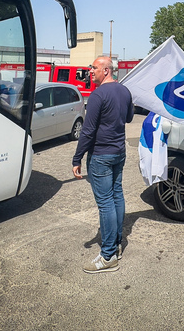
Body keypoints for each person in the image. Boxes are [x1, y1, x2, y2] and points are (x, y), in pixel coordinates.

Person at [72, 56, 134, 273]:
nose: (91, 71)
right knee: (117, 195)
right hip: (119, 152)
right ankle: (116, 245)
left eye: (94, 68)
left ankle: (107, 256)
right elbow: (129, 118)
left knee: (106, 202)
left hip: (101, 155)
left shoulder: (98, 95)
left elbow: (88, 131)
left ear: (106, 70)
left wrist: (77, 158)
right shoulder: (124, 91)